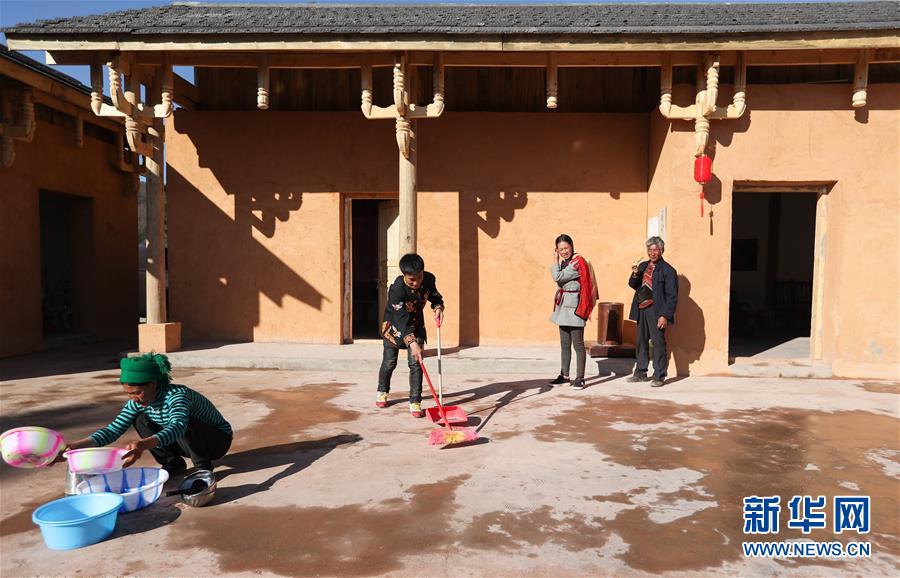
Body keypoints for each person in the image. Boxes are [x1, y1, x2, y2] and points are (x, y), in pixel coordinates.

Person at [63, 353, 233, 474]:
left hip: (216, 441)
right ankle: (173, 464)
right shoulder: (137, 403)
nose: (134, 398)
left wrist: (142, 445)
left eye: (137, 392)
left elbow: (178, 428)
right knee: (141, 419)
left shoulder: (177, 396)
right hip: (186, 443)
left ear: (153, 384)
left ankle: (203, 468)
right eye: (128, 393)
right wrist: (75, 446)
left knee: (184, 422)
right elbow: (113, 430)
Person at [376, 253, 444, 417]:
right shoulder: (397, 290)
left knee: (416, 364)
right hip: (395, 328)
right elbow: (400, 318)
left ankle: (415, 401)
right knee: (389, 363)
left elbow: (434, 295)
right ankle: (382, 391)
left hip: (416, 324)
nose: (416, 282)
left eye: (419, 277)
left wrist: (438, 307)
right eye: (411, 279)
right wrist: (412, 342)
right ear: (404, 275)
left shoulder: (428, 279)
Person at [627, 236, 678, 387]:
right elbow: (633, 285)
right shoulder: (642, 266)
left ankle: (659, 376)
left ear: (662, 250)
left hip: (657, 311)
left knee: (658, 344)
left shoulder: (668, 270)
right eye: (649, 250)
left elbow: (672, 297)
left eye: (655, 250)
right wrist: (635, 273)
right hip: (641, 309)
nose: (652, 253)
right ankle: (641, 373)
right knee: (641, 343)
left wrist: (664, 315)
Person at [549, 234, 597, 390]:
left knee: (578, 345)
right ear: (557, 249)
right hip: (564, 307)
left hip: (575, 308)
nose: (564, 251)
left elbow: (558, 277)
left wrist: (555, 261)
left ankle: (580, 377)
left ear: (572, 246)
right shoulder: (566, 263)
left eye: (566, 248)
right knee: (564, 345)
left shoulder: (577, 262)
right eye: (560, 249)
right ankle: (564, 375)